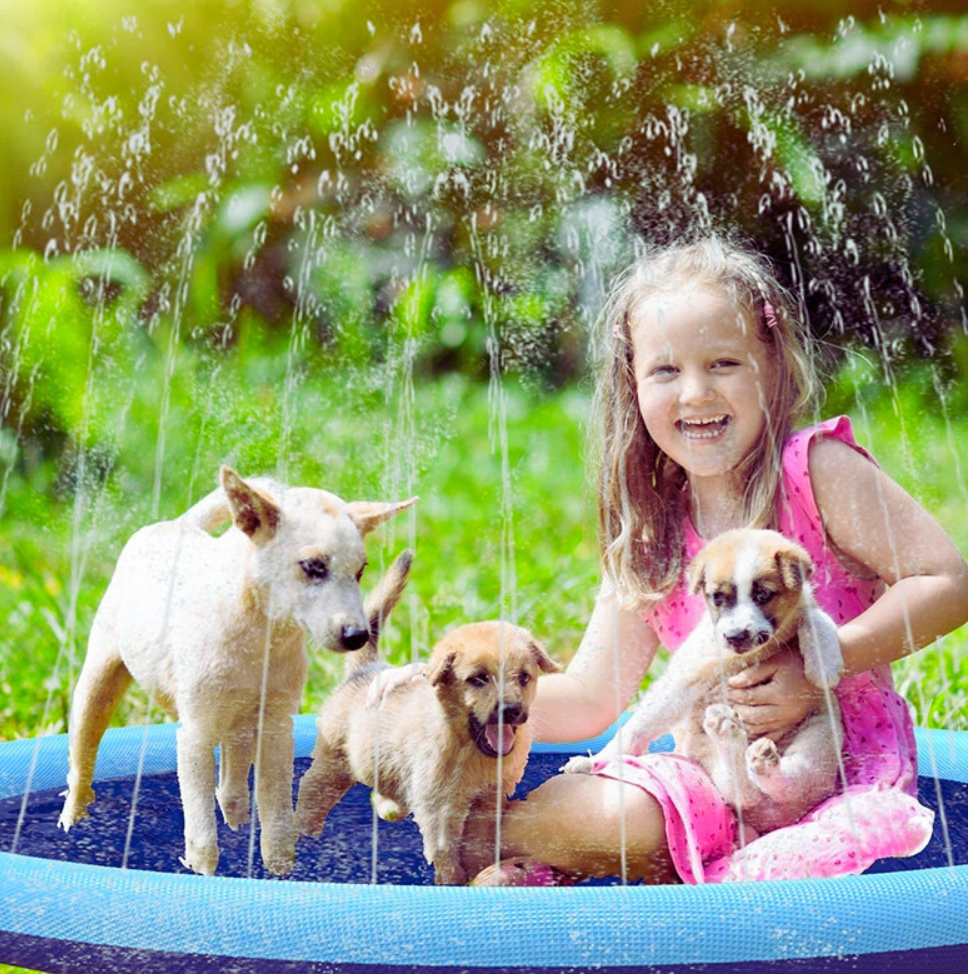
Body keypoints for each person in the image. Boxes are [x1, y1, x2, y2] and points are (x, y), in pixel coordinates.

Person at [374, 237, 968, 886]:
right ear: (632, 384)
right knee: (603, 807)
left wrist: (821, 664)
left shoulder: (814, 472)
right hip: (711, 777)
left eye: (723, 363)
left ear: (773, 363)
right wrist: (466, 693)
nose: (695, 393)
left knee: (805, 856)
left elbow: (948, 580)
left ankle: (524, 857)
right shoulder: (652, 529)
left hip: (839, 769)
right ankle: (515, 852)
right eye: (665, 371)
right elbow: (595, 697)